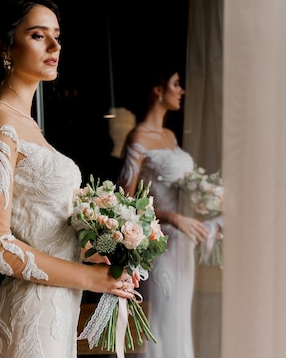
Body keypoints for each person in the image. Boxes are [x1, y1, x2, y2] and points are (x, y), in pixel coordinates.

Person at [0, 0, 136, 358]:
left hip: (58, 312)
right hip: (30, 314)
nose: (55, 44)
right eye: (38, 35)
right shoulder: (1, 123)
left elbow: (46, 229)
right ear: (5, 48)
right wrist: (91, 279)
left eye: (57, 35)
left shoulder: (29, 126)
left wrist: (102, 256)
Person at [117, 65, 210, 358]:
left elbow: (180, 187)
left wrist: (207, 205)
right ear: (158, 91)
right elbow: (125, 203)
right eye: (176, 84)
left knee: (181, 322)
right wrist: (171, 217)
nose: (181, 90)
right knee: (162, 322)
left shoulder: (170, 136)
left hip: (185, 248)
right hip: (160, 247)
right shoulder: (137, 139)